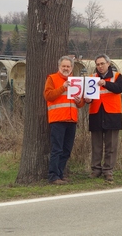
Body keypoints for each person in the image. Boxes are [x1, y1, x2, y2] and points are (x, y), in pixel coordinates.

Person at [44, 55, 85, 185]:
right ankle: (53, 176)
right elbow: (48, 96)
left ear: (72, 67)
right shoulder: (52, 78)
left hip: (71, 119)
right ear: (59, 67)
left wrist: (80, 101)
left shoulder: (76, 81)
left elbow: (80, 103)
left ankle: (60, 175)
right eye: (64, 66)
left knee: (67, 150)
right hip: (57, 119)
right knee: (57, 149)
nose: (66, 68)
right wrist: (62, 87)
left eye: (68, 66)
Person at [85, 54, 122, 182]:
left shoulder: (117, 76)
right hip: (96, 114)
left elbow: (119, 88)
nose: (100, 66)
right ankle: (96, 169)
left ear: (108, 64)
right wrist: (87, 100)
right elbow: (88, 96)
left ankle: (108, 170)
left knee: (111, 145)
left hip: (112, 115)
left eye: (102, 63)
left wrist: (105, 83)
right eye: (98, 64)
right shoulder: (91, 78)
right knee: (96, 145)